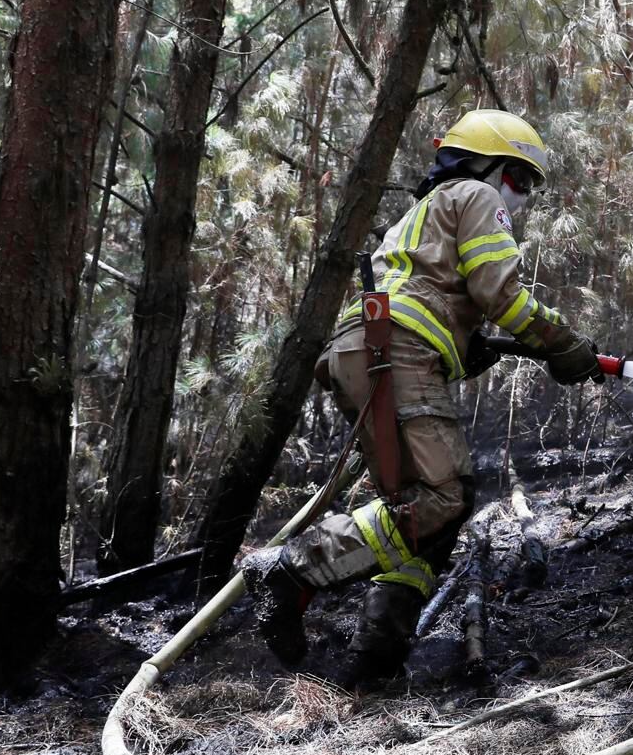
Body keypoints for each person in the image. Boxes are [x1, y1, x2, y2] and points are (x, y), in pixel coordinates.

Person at [243, 110, 605, 686]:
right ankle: (292, 569)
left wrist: (467, 348)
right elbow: (502, 295)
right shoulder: (476, 196)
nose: (524, 198)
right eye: (521, 181)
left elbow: (432, 298)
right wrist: (565, 344)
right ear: (490, 164)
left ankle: (374, 660)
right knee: (443, 498)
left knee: (423, 517)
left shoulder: (426, 212)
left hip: (371, 350)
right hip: (394, 352)